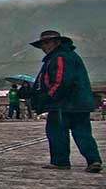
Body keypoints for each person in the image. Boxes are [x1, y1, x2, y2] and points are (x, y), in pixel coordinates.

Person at [31, 30, 101, 172]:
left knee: (57, 132)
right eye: (43, 44)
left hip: (64, 104)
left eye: (47, 43)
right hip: (79, 103)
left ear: (57, 42)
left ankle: (60, 161)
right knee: (82, 132)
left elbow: (61, 81)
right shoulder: (69, 56)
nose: (44, 47)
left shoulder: (60, 58)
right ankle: (93, 160)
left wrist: (49, 96)